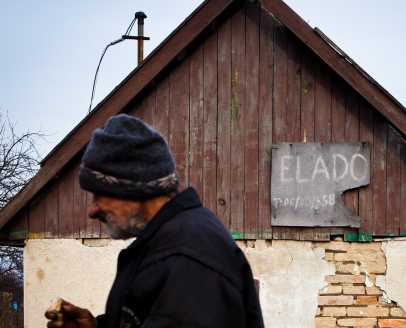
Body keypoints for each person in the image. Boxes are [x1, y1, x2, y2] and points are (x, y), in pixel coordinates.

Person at [45, 114, 264, 328]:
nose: (93, 210)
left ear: (135, 186)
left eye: (99, 194)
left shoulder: (184, 254)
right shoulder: (171, 242)